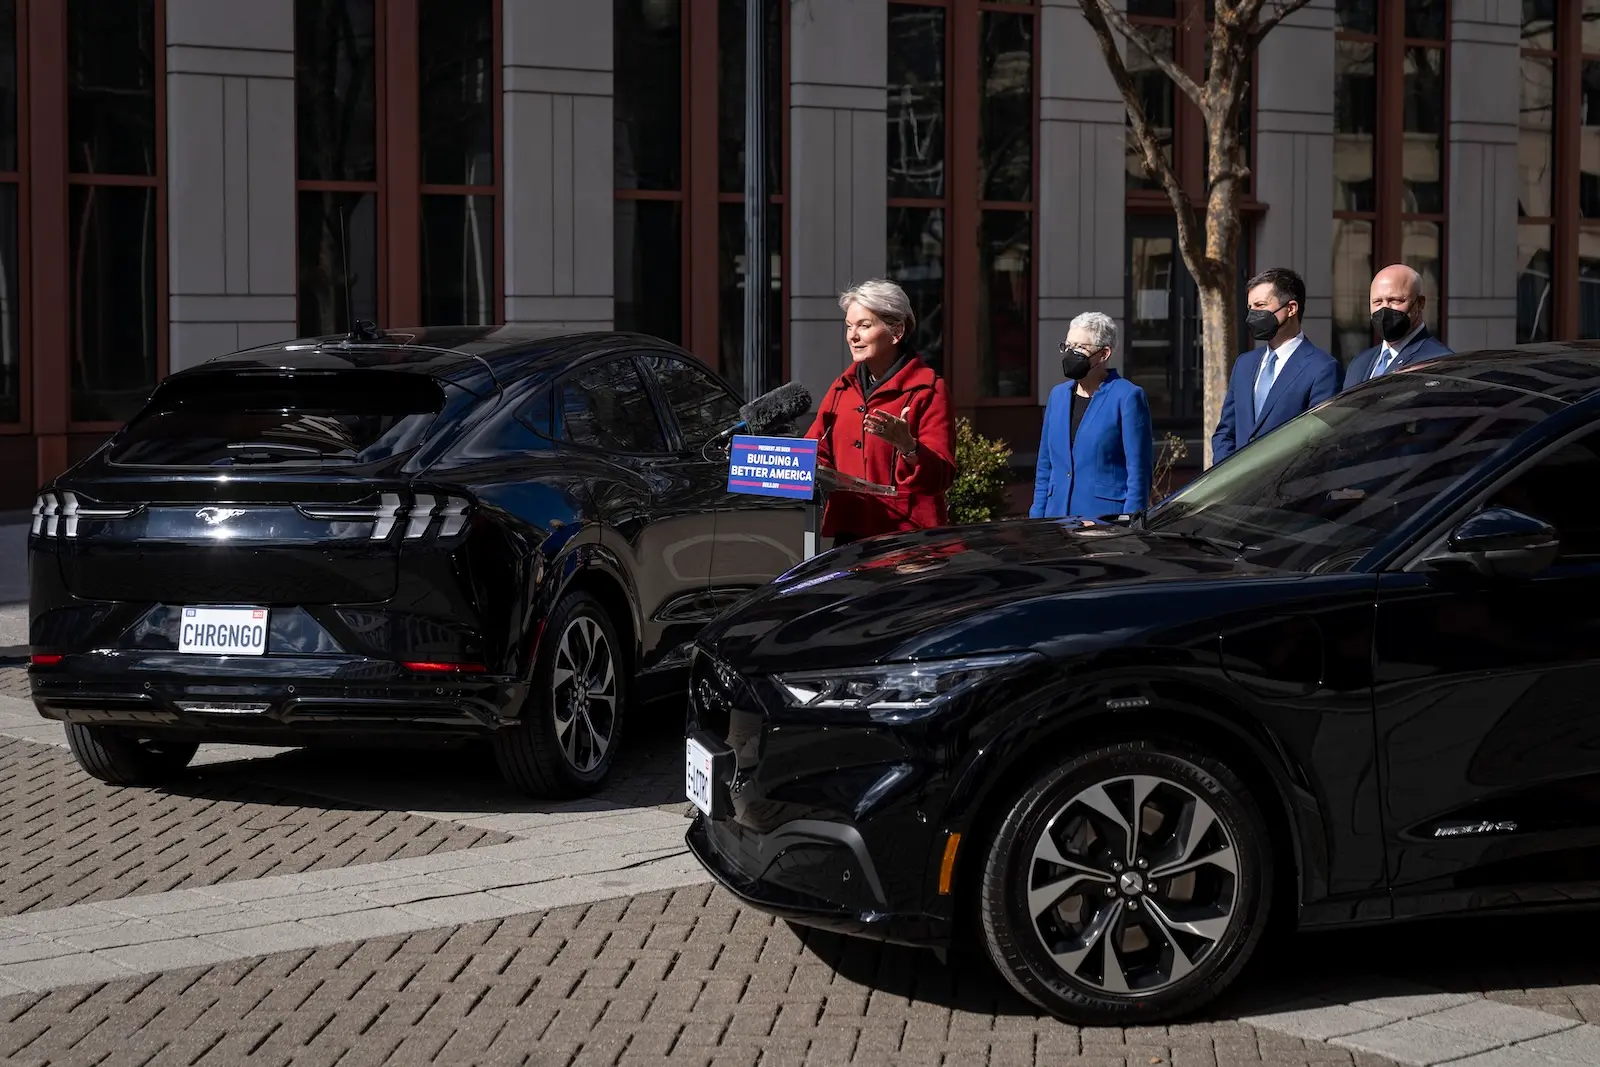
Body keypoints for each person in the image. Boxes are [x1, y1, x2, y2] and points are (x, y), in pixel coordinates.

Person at [805, 279, 956, 546]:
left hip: (909, 539)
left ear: (896, 331)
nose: (853, 336)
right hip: (850, 538)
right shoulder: (842, 388)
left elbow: (942, 477)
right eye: (849, 326)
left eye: (864, 326)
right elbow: (817, 452)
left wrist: (908, 447)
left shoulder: (928, 390)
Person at [1211, 268, 1340, 466]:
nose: (1253, 314)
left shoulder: (1323, 369)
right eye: (1250, 307)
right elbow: (1226, 432)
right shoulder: (1244, 364)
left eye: (1260, 305)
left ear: (1291, 308)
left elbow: (1318, 443)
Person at [1030, 312, 1153, 520]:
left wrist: (1128, 526)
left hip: (1103, 523)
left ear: (1104, 354)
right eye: (1068, 346)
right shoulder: (1058, 396)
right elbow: (1045, 466)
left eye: (1080, 348)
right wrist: (1037, 517)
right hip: (1055, 520)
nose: (1071, 353)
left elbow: (1139, 473)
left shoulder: (1127, 397)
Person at [1342, 263, 1453, 391]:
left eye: (1395, 300)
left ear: (1420, 304)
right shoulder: (1359, 363)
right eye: (1377, 302)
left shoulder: (1440, 363)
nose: (1385, 309)